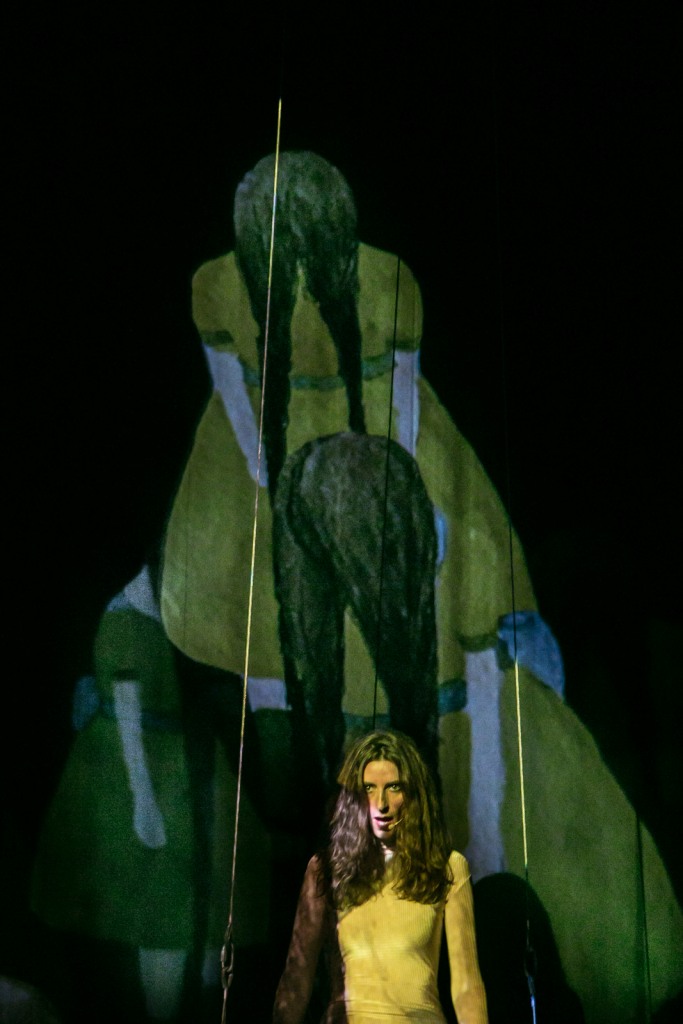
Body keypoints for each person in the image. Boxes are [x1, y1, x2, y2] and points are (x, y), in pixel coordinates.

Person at [272, 730, 488, 1023]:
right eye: (369, 789)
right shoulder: (326, 869)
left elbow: (466, 986)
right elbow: (297, 977)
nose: (381, 803)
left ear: (413, 794)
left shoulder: (447, 867)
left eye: (394, 787)